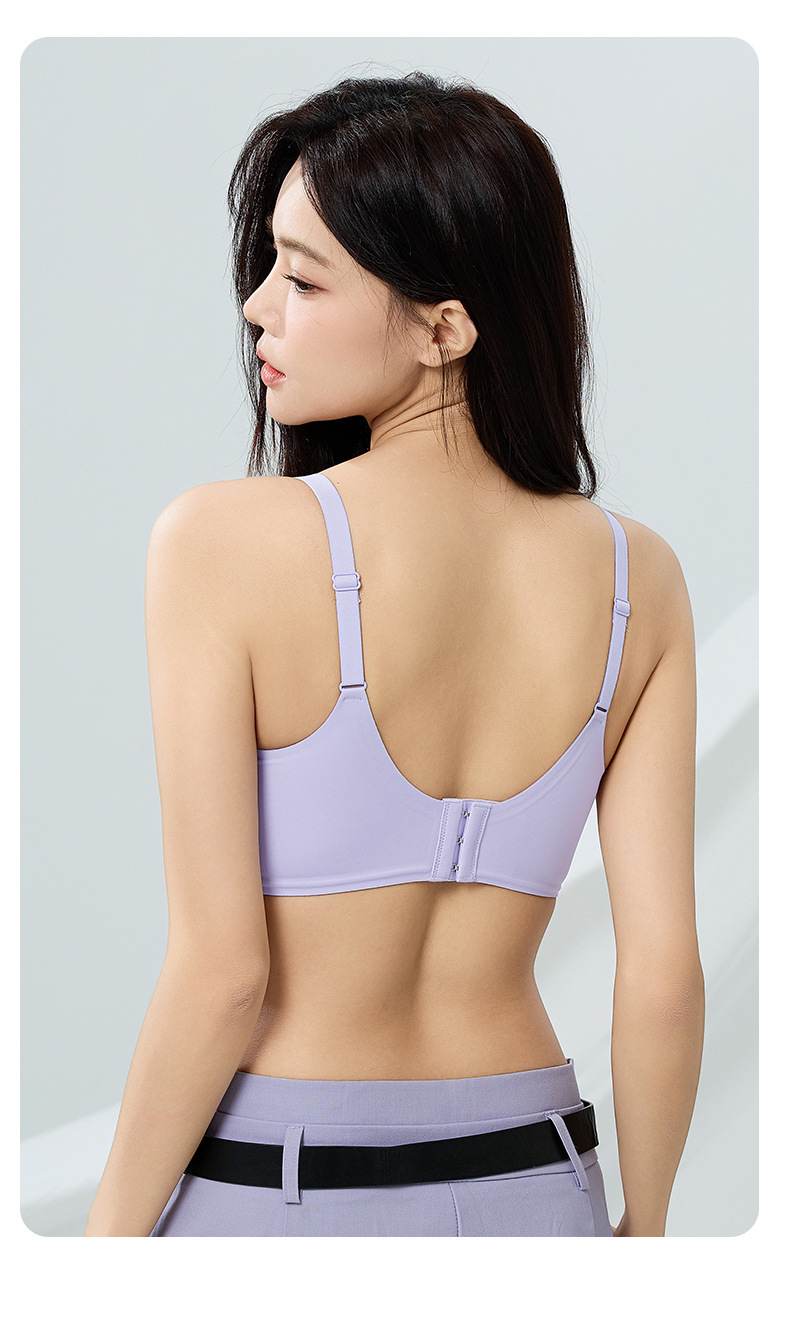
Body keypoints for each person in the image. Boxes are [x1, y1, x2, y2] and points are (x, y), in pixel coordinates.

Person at [84, 71, 704, 1239]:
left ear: (443, 329)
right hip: (538, 1184)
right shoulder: (639, 578)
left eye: (303, 277)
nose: (258, 307)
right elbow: (664, 970)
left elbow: (223, 975)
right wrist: (646, 1236)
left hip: (282, 1191)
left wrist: (105, 1246)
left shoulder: (222, 542)